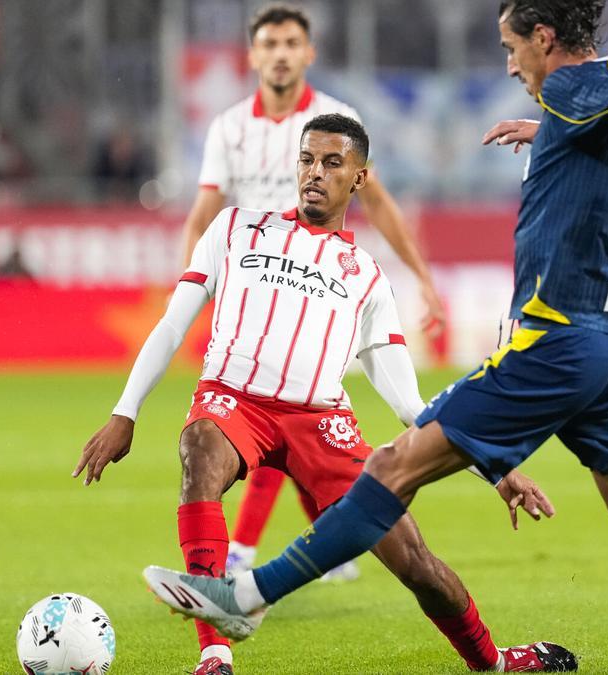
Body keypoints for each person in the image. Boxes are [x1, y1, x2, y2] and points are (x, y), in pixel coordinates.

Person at [141, 3, 608, 675]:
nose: (509, 65)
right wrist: (554, 130)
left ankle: (247, 595)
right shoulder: (599, 96)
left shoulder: (576, 86)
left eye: (512, 47)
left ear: (546, 37)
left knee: (389, 469)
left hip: (555, 337)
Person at [76, 114, 575, 675]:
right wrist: (126, 412)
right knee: (199, 451)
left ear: (360, 178)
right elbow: (171, 326)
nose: (315, 173)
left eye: (332, 163)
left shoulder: (367, 278)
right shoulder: (235, 228)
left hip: (321, 424)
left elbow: (411, 406)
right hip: (234, 402)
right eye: (307, 159)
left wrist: (497, 469)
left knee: (414, 561)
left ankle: (494, 662)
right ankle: (215, 655)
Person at [181, 3, 448, 593]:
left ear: (308, 53)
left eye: (290, 43)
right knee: (287, 415)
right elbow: (204, 213)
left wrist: (421, 274)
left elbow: (376, 202)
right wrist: (191, 290)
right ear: (253, 55)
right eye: (269, 43)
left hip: (317, 286)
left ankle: (250, 552)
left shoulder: (338, 119)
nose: (279, 53)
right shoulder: (229, 127)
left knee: (292, 405)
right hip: (251, 287)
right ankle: (325, 535)